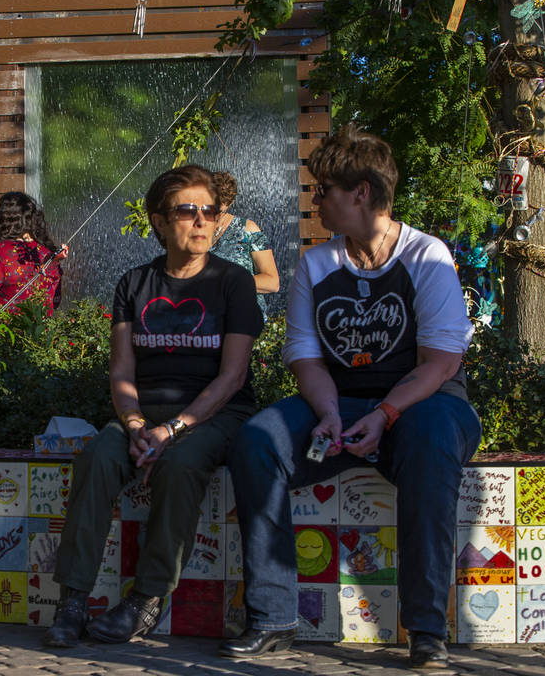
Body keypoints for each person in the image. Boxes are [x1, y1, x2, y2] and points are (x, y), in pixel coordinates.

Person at [221, 125, 480, 669]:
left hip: (426, 402)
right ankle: (271, 617)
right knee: (257, 440)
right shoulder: (318, 265)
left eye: (324, 191)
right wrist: (331, 412)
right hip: (341, 403)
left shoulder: (426, 255)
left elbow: (441, 362)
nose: (315, 201)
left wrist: (387, 414)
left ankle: (426, 629)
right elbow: (305, 357)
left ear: (360, 192)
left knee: (431, 441)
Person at [45, 165, 263, 647]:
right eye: (188, 211)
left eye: (210, 211)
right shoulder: (134, 284)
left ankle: (146, 600)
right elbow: (122, 373)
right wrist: (137, 422)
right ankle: (72, 601)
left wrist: (174, 430)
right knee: (101, 454)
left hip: (218, 414)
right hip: (147, 416)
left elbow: (233, 377)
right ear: (160, 222)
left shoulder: (234, 283)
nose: (202, 221)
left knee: (182, 463)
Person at [0, 192, 67, 314]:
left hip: (4, 331)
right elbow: (55, 302)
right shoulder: (48, 254)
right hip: (40, 331)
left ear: (1, 220)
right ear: (33, 219)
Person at [209, 171, 279, 317]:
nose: (214, 215)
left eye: (219, 211)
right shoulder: (194, 228)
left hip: (243, 320)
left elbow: (272, 282)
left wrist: (227, 283)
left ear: (231, 203)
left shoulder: (247, 230)